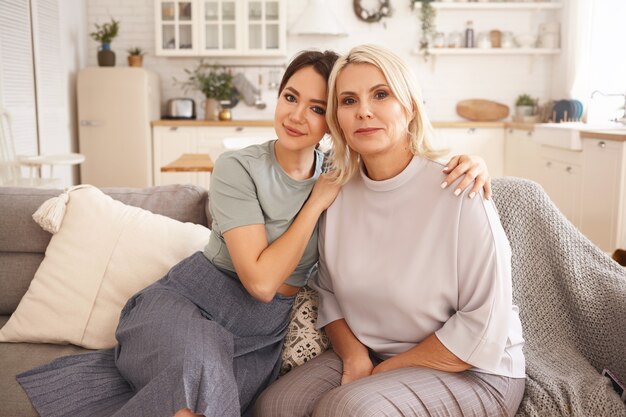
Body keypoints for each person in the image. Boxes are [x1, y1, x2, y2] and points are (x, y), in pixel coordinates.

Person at [16, 50, 492, 417]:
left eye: (317, 107)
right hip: (189, 302)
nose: (296, 116)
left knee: (224, 395)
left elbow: (407, 180)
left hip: (260, 335)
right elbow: (260, 283)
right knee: (196, 381)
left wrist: (475, 161)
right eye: (290, 98)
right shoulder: (238, 167)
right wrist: (316, 203)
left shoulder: (344, 173)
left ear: (335, 124)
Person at [254, 45, 526, 417]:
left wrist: (381, 374)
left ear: (409, 106)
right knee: (276, 406)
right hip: (373, 352)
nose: (364, 110)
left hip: (474, 367)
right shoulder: (336, 192)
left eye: (381, 94)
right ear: (337, 119)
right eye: (348, 100)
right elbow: (328, 293)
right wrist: (354, 360)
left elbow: (482, 324)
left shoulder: (460, 190)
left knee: (347, 408)